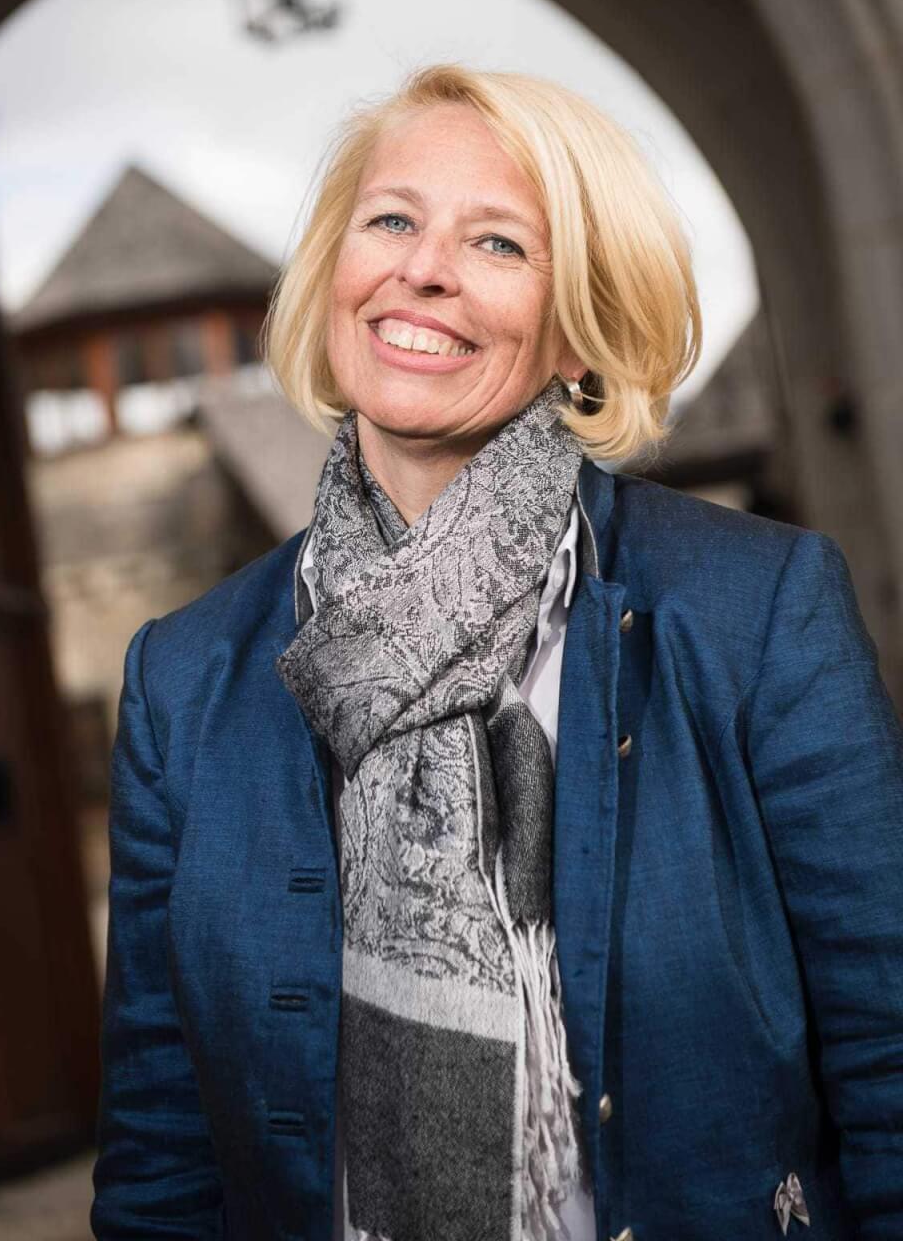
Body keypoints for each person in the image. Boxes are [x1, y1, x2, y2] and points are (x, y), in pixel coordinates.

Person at [90, 64, 903, 1241]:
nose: (424, 268)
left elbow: (889, 1057)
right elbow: (161, 1156)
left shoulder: (756, 611)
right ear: (334, 275)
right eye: (392, 221)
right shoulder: (181, 681)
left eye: (500, 243)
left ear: (579, 330)